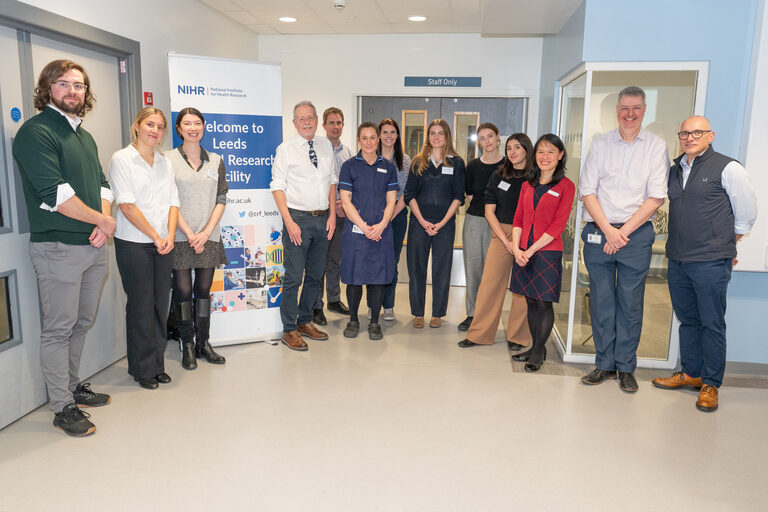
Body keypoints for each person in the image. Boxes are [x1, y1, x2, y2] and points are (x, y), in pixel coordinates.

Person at [12, 59, 115, 436]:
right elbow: (54, 193)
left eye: (80, 85)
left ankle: (72, 386)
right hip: (57, 247)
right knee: (59, 328)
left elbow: (103, 185)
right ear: (48, 89)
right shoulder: (36, 132)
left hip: (93, 245)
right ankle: (61, 406)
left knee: (81, 322)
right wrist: (101, 221)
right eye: (64, 84)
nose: (73, 91)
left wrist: (104, 223)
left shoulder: (84, 136)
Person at [652, 116, 757, 412]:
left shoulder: (728, 167)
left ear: (711, 135)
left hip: (710, 260)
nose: (689, 137)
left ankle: (711, 383)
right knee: (688, 320)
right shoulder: (674, 170)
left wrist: (724, 242)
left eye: (697, 132)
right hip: (678, 259)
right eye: (684, 132)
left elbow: (746, 213)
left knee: (711, 323)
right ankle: (692, 373)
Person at [578, 86, 669, 393]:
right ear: (616, 111)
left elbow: (657, 197)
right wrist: (608, 231)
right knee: (602, 300)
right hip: (599, 232)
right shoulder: (600, 145)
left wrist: (622, 233)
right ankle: (604, 364)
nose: (629, 114)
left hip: (635, 233)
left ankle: (626, 367)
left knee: (630, 303)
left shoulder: (656, 147)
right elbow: (587, 191)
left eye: (636, 108)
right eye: (624, 108)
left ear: (644, 111)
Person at [109, 107, 180, 390]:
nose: (155, 130)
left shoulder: (165, 162)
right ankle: (142, 368)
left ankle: (156, 364)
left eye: (160, 127)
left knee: (159, 305)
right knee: (140, 305)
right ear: (137, 126)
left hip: (164, 244)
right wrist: (155, 235)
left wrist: (170, 235)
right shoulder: (122, 159)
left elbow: (173, 202)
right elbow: (126, 205)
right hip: (134, 244)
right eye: (150, 124)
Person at [270, 100, 337, 351]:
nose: (307, 122)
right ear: (294, 122)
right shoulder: (286, 149)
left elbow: (332, 181)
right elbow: (277, 186)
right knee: (294, 277)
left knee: (315, 275)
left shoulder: (325, 146)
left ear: (317, 120)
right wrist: (289, 222)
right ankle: (289, 329)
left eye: (310, 117)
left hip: (323, 219)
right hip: (297, 219)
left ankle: (305, 320)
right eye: (301, 118)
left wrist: (331, 215)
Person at [505, 134, 575, 372]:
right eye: (541, 152)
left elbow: (557, 226)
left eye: (551, 152)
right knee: (531, 301)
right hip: (523, 251)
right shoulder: (527, 185)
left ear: (560, 155)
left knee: (544, 303)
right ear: (535, 156)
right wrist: (516, 248)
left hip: (547, 252)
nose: (545, 157)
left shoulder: (566, 186)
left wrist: (530, 249)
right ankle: (537, 347)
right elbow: (518, 219)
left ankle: (538, 351)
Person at [458, 134, 534, 350]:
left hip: (528, 237)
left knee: (521, 289)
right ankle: (479, 334)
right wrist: (505, 239)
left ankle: (518, 337)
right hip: (501, 233)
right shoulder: (499, 175)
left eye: (517, 147)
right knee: (489, 284)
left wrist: (519, 243)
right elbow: (489, 210)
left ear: (526, 150)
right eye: (509, 148)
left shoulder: (535, 178)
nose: (512, 152)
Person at [166, 107, 228, 370]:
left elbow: (221, 198)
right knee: (183, 291)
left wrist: (204, 233)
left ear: (204, 127)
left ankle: (204, 343)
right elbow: (167, 199)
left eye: (197, 123)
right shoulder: (166, 159)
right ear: (178, 128)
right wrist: (191, 233)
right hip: (180, 236)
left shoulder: (216, 160)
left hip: (209, 236)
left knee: (203, 291)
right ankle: (187, 344)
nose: (193, 128)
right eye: (187, 123)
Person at [338, 122, 399, 339]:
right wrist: (364, 227)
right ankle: (353, 319)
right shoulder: (349, 166)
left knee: (378, 277)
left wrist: (382, 224)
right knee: (354, 277)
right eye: (365, 138)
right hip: (356, 232)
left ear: (378, 139)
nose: (369, 142)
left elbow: (392, 201)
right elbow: (345, 201)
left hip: (381, 232)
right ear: (358, 140)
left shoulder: (389, 167)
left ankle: (374, 321)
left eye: (373, 137)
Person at [404, 119, 465, 329]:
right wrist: (422, 221)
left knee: (442, 268)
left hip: (445, 226)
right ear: (428, 136)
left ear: (447, 136)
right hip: (419, 224)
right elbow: (409, 194)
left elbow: (458, 196)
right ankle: (418, 313)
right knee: (416, 268)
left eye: (440, 133)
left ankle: (438, 313)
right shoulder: (418, 162)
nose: (436, 137)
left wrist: (440, 223)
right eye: (432, 133)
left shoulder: (456, 163)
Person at [458, 123, 504, 331]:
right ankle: (472, 314)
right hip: (475, 222)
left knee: (493, 273)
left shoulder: (508, 166)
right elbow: (469, 195)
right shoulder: (473, 166)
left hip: (500, 225)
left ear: (498, 138)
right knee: (473, 269)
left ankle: (489, 316)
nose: (487, 142)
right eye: (482, 138)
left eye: (490, 136)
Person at [312, 107, 355, 326]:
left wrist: (342, 204)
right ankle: (316, 305)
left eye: (339, 123)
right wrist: (332, 205)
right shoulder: (317, 149)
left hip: (342, 214)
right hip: (322, 214)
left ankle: (334, 300)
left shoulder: (348, 152)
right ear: (324, 125)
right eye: (332, 123)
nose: (335, 127)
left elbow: (352, 183)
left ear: (343, 125)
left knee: (335, 261)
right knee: (318, 262)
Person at [378, 118, 411, 321]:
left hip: (397, 217)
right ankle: (374, 304)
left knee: (392, 261)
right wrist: (380, 218)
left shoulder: (405, 160)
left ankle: (388, 306)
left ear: (397, 135)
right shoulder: (371, 157)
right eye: (385, 132)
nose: (389, 136)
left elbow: (405, 192)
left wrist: (389, 217)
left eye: (392, 132)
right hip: (373, 218)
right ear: (379, 135)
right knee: (373, 261)